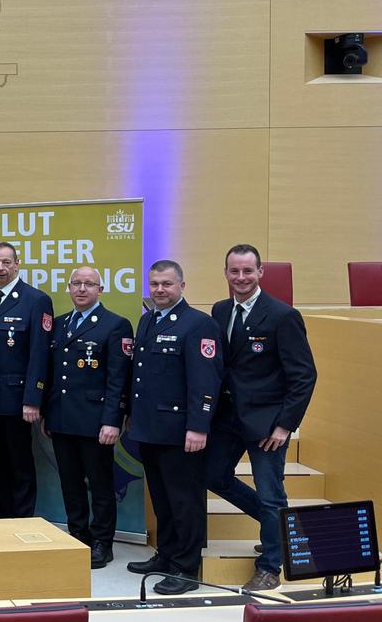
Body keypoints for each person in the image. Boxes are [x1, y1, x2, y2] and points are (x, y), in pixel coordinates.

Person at [206, 244, 317, 590]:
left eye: (248, 271)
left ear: (260, 273)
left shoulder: (283, 315)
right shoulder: (220, 310)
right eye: (234, 271)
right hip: (227, 419)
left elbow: (304, 375)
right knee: (213, 475)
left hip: (268, 425)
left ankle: (270, 566)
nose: (241, 278)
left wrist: (285, 425)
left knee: (271, 495)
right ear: (225, 273)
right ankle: (283, 530)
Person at [126, 260, 223, 595]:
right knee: (163, 500)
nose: (159, 290)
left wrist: (199, 426)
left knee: (185, 500)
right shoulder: (148, 319)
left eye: (166, 284)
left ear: (182, 285)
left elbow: (205, 381)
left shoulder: (198, 324)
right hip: (151, 429)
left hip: (182, 432)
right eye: (154, 284)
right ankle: (166, 555)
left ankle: (185, 567)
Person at [42, 266, 133, 569]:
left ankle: (102, 543)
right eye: (76, 284)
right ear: (69, 288)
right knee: (70, 483)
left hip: (96, 422)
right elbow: (54, 375)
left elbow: (118, 379)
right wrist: (47, 413)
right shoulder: (58, 324)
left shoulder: (115, 325)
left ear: (100, 289)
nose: (81, 289)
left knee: (101, 484)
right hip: (62, 419)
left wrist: (112, 420)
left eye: (88, 284)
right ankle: (77, 535)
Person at [0, 242, 53, 518]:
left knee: (20, 464)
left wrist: (33, 399)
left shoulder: (35, 299)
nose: (1, 268)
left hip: (18, 400)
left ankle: (21, 521)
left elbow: (39, 353)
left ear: (18, 264)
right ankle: (3, 519)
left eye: (7, 262)